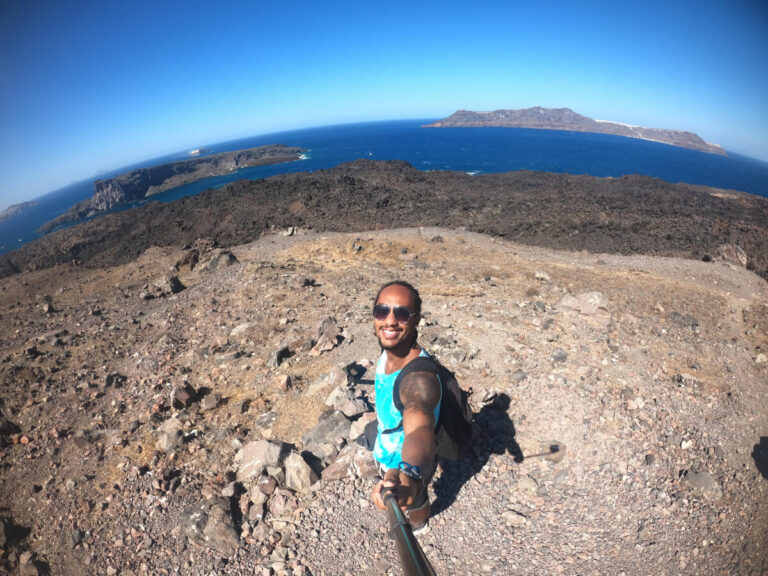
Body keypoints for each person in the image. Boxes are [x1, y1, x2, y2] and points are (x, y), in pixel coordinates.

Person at [370, 280, 441, 532]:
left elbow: (419, 427)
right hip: (387, 444)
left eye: (401, 313)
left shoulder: (418, 379)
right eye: (382, 311)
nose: (389, 321)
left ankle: (419, 522)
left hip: (409, 461)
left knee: (417, 500)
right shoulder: (391, 350)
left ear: (416, 320)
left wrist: (408, 476)